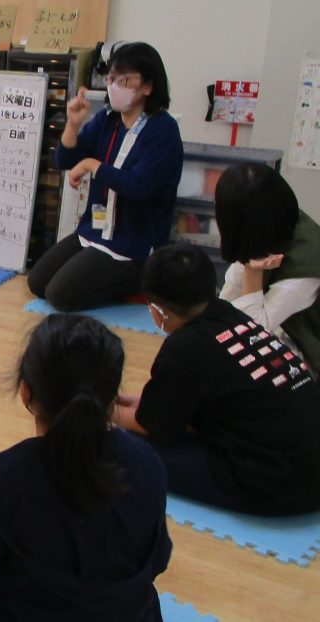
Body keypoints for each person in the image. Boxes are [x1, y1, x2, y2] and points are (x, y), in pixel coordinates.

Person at [0, 314, 171, 622]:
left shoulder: (3, 479)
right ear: (112, 396)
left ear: (26, 391)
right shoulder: (148, 462)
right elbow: (157, 560)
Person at [114, 244, 320, 516]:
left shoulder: (183, 348)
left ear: (157, 310)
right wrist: (141, 403)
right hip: (308, 463)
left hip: (278, 484)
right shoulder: (229, 313)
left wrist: (106, 409)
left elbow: (153, 425)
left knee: (122, 446)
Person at [28, 42, 183, 311]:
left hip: (132, 244)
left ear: (148, 86)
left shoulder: (163, 130)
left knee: (60, 295)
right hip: (95, 230)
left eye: (123, 79)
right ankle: (106, 279)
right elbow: (64, 160)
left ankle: (141, 278)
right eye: (111, 78)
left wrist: (91, 164)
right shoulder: (108, 120)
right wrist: (73, 124)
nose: (113, 85)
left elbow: (139, 187)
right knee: (38, 283)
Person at [214, 162, 320, 373]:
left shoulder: (304, 262)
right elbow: (229, 297)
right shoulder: (271, 228)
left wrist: (253, 271)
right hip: (278, 328)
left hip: (309, 351)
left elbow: (251, 331)